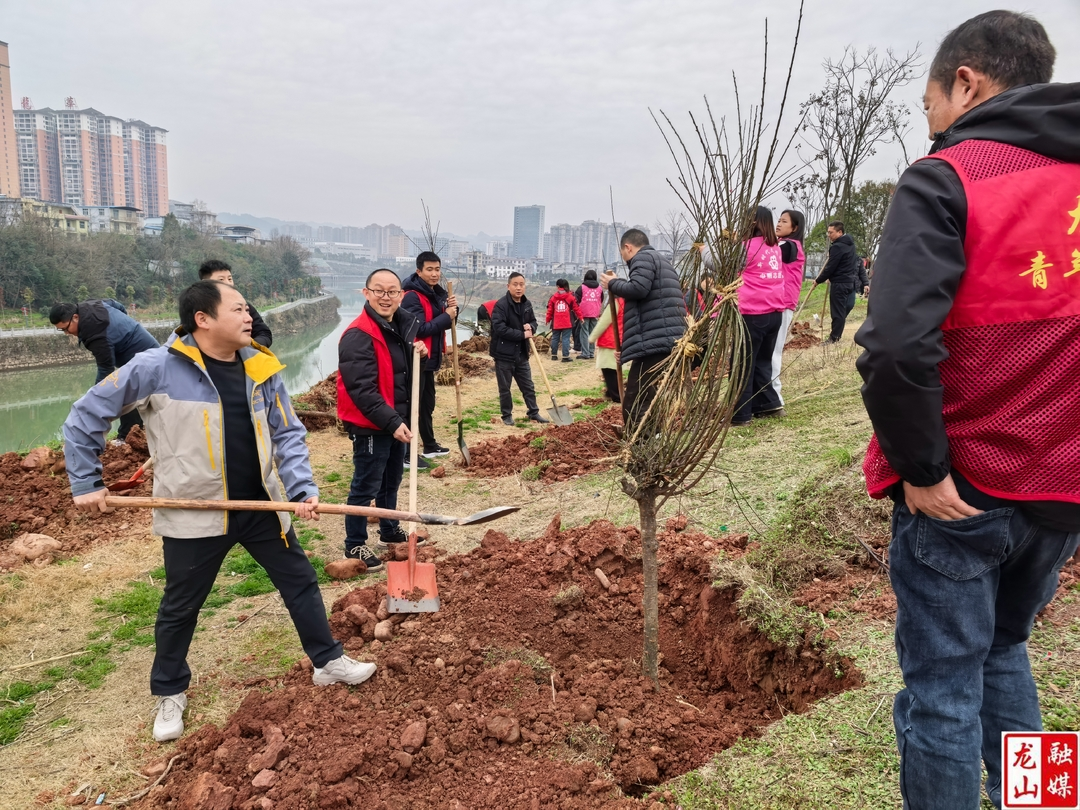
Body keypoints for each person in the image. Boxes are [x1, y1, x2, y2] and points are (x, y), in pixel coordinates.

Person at [854, 11, 1079, 809]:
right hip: (1060, 494)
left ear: (966, 83)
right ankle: (1044, 804)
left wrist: (921, 467)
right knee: (1005, 651)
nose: (933, 124)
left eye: (929, 107)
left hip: (964, 493)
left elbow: (892, 348)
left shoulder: (950, 176)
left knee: (942, 692)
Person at [62, 281, 375, 743]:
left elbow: (287, 434)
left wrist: (302, 487)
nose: (250, 317)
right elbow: (85, 416)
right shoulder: (155, 368)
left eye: (249, 308)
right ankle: (170, 691)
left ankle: (327, 661)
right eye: (238, 309)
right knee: (181, 604)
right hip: (196, 510)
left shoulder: (262, 368)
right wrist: (86, 481)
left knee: (300, 581)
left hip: (263, 505)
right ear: (203, 319)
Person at [338, 269, 428, 568]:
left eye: (392, 291)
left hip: (396, 419)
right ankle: (355, 545)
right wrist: (391, 421)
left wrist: (420, 355)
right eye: (379, 291)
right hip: (371, 423)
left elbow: (400, 375)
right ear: (366, 293)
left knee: (391, 480)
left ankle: (389, 529)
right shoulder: (358, 335)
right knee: (365, 485)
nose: (386, 297)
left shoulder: (401, 326)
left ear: (401, 295)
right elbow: (362, 389)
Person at [600, 229, 686, 427]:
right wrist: (628, 351)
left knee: (634, 398)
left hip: (657, 341)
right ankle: (651, 435)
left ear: (628, 247)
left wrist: (614, 283)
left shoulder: (643, 258)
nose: (625, 259)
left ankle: (639, 443)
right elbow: (649, 309)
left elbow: (638, 289)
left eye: (623, 254)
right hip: (665, 338)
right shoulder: (662, 261)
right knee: (647, 392)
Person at [50, 297, 159, 442]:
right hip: (143, 344)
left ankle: (126, 437)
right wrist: (123, 325)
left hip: (144, 355)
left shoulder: (96, 334)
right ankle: (135, 431)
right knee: (128, 388)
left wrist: (94, 397)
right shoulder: (89, 305)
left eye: (65, 328)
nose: (66, 333)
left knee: (125, 392)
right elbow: (116, 304)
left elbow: (106, 369)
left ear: (75, 317)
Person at [729, 206, 787, 426]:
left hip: (753, 313)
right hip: (775, 313)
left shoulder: (745, 247)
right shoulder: (775, 248)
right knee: (762, 361)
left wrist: (704, 250)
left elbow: (719, 265)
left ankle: (741, 416)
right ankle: (769, 405)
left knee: (742, 363)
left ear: (751, 223)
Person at [400, 251, 457, 461]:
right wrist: (446, 315)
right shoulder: (412, 296)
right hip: (416, 358)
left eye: (437, 269)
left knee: (427, 405)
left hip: (430, 359)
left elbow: (447, 324)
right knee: (413, 405)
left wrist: (452, 311)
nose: (435, 274)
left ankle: (429, 445)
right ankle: (406, 454)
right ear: (419, 271)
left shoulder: (435, 293)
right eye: (429, 269)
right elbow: (421, 329)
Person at [489, 272, 549, 426]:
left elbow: (534, 322)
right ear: (508, 286)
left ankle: (533, 412)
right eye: (515, 284)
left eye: (521, 284)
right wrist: (522, 335)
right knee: (505, 388)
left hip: (521, 353)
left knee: (528, 385)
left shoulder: (526, 304)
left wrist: (532, 327)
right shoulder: (501, 305)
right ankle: (507, 415)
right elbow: (499, 328)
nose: (518, 288)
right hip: (504, 354)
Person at [771, 209, 807, 404]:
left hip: (782, 303)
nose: (778, 224)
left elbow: (768, 252)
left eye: (784, 222)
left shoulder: (789, 245)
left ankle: (775, 395)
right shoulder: (784, 243)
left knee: (774, 350)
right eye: (778, 220)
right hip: (777, 302)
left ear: (795, 228)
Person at [815, 221, 869, 344]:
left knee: (839, 312)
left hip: (840, 284)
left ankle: (834, 338)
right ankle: (837, 330)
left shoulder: (837, 247)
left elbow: (830, 267)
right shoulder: (851, 245)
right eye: (828, 232)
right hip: (850, 283)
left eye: (831, 232)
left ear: (840, 232)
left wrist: (818, 280)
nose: (829, 235)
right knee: (844, 309)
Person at [198, 259, 273, 347]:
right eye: (221, 279)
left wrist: (247, 349)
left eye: (230, 279)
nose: (228, 283)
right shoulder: (199, 309)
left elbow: (264, 334)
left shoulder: (245, 307)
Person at [589, 297, 623, 402]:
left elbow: (603, 322)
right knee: (612, 368)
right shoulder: (626, 302)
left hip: (610, 340)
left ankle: (616, 395)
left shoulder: (616, 303)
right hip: (619, 338)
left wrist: (592, 337)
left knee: (608, 369)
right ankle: (611, 392)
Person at [545, 279, 582, 362]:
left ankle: (554, 355)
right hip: (567, 322)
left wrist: (548, 320)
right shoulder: (570, 297)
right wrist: (580, 317)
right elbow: (576, 308)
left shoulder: (553, 298)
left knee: (555, 338)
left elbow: (550, 310)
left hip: (556, 322)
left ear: (557, 286)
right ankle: (565, 357)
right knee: (565, 338)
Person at [574, 270, 604, 360]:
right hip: (595, 313)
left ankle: (585, 353)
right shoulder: (600, 288)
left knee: (584, 332)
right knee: (592, 332)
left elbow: (576, 299)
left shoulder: (582, 287)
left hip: (584, 313)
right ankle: (591, 352)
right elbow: (601, 299)